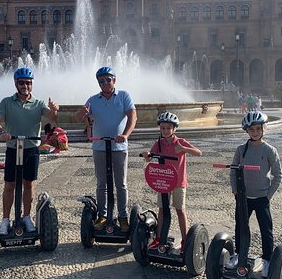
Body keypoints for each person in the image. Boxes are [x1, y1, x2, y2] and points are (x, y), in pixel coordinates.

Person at [0, 67, 59, 235]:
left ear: (31, 84)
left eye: (28, 83)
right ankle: (5, 220)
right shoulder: (7, 102)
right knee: (10, 185)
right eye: (21, 83)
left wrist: (54, 109)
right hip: (13, 148)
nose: (25, 86)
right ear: (16, 83)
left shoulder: (38, 103)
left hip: (31, 149)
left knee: (28, 184)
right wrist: (2, 133)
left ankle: (27, 217)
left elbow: (51, 117)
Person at [76, 67, 137, 232]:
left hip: (119, 147)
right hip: (100, 146)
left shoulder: (124, 96)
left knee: (121, 183)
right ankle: (102, 215)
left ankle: (123, 216)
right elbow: (78, 117)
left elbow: (132, 116)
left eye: (108, 79)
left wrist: (125, 134)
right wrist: (82, 113)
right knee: (101, 183)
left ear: (114, 80)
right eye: (101, 81)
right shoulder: (93, 99)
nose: (105, 83)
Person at [227, 111, 282, 277]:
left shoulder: (269, 150)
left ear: (263, 129)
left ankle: (266, 260)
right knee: (241, 227)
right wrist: (235, 190)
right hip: (243, 197)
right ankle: (238, 255)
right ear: (247, 131)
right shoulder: (241, 149)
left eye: (258, 129)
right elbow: (233, 170)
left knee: (266, 229)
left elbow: (278, 174)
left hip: (261, 197)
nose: (255, 132)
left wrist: (268, 195)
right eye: (251, 130)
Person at [142, 112, 202, 251]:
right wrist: (147, 155)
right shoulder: (159, 143)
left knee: (180, 210)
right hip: (163, 181)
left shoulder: (180, 142)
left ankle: (185, 240)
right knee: (162, 209)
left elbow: (199, 152)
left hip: (179, 182)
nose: (165, 131)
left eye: (168, 128)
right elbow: (149, 158)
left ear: (174, 129)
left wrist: (184, 149)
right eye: (163, 128)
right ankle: (159, 238)